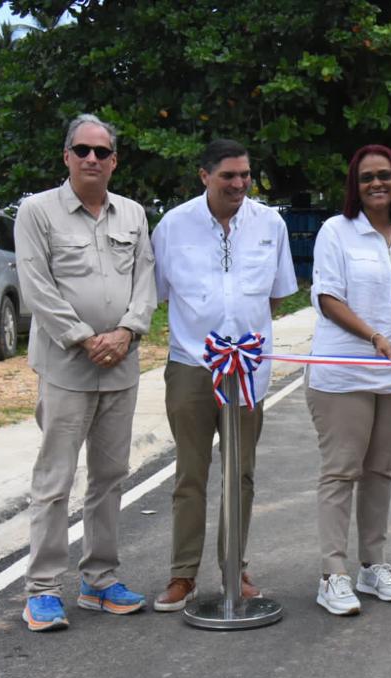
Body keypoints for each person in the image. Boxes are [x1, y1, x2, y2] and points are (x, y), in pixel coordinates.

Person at [15, 113, 156, 631]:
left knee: (110, 478)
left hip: (122, 367)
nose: (92, 159)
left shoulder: (134, 214)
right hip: (66, 368)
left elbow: (146, 279)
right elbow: (35, 286)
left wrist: (126, 332)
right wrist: (84, 337)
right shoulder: (37, 212)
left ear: (114, 160)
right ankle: (43, 589)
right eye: (82, 150)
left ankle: (99, 580)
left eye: (102, 151)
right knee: (55, 481)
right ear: (66, 157)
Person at [151, 139, 298, 612]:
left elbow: (276, 296)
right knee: (190, 475)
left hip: (248, 368)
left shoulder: (269, 224)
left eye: (244, 176)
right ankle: (183, 575)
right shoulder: (174, 226)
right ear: (204, 176)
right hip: (192, 366)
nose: (238, 184)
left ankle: (235, 568)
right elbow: (159, 293)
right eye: (227, 176)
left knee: (242, 475)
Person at [306, 144, 391, 616]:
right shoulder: (335, 232)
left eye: (384, 175)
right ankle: (332, 573)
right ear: (354, 186)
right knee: (342, 471)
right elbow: (327, 298)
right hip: (345, 372)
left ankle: (372, 565)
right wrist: (373, 335)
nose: (376, 184)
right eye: (366, 178)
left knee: (380, 471)